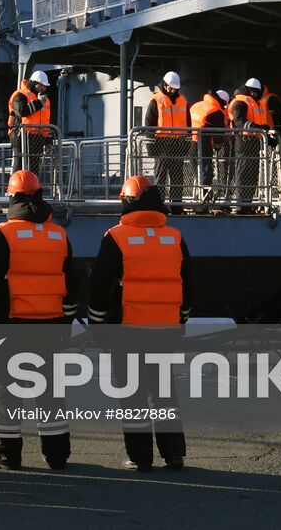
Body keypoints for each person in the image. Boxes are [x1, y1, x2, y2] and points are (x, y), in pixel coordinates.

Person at [0, 170, 83, 471]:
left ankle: (6, 454)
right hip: (50, 324)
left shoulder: (2, 234)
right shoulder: (58, 234)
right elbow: (72, 284)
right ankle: (57, 454)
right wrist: (66, 321)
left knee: (6, 389)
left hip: (12, 325)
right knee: (49, 390)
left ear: (12, 197)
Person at [87, 176, 193, 472]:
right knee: (163, 392)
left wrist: (97, 324)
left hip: (128, 331)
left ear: (127, 202)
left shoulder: (116, 237)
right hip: (166, 329)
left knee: (132, 394)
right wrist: (181, 317)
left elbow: (100, 285)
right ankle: (174, 454)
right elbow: (189, 283)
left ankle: (139, 456)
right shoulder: (174, 237)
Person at [142, 71, 190, 210]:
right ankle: (159, 206)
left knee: (177, 178)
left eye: (175, 88)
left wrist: (186, 143)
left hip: (178, 144)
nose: (173, 90)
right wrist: (152, 145)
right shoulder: (156, 100)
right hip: (162, 144)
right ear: (165, 85)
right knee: (161, 177)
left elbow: (188, 123)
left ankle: (176, 206)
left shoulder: (183, 101)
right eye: (170, 88)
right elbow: (149, 123)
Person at [228, 79, 272, 213]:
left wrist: (266, 135)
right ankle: (242, 205)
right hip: (243, 144)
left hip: (254, 144)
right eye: (253, 91)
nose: (254, 94)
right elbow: (239, 120)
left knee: (253, 176)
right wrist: (257, 128)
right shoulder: (240, 102)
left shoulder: (254, 103)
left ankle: (249, 204)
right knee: (243, 175)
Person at [189, 90, 231, 211]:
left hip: (191, 142)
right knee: (206, 172)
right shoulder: (216, 111)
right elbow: (218, 134)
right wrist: (218, 146)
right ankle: (204, 203)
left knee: (197, 173)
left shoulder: (196, 105)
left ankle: (197, 198)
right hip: (204, 143)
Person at [8, 70, 53, 175]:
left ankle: (31, 190)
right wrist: (38, 103)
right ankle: (13, 190)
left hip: (36, 140)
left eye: (44, 86)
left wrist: (48, 140)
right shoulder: (20, 95)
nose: (44, 89)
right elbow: (21, 111)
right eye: (41, 86)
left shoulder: (44, 100)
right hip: (20, 138)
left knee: (33, 169)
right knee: (18, 167)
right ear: (34, 83)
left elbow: (45, 121)